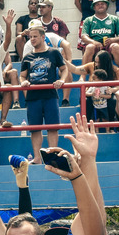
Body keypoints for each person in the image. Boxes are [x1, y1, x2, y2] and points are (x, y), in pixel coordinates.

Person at [19, 22, 68, 163]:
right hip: (33, 97)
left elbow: (64, 69)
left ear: (42, 37)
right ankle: (37, 157)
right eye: (30, 37)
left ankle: (52, 156)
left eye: (35, 36)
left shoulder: (54, 53)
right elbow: (22, 75)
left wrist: (62, 80)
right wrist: (24, 82)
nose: (32, 39)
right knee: (35, 128)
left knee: (52, 127)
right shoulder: (27, 57)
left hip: (50, 95)